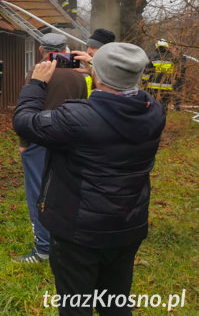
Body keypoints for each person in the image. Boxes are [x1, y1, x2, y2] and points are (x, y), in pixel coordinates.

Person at [13, 43, 165, 315]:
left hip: (78, 233)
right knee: (115, 304)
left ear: (99, 76)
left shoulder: (78, 118)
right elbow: (125, 88)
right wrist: (100, 66)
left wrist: (37, 84)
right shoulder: (153, 111)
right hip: (127, 225)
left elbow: (24, 121)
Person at [13, 33, 92, 263]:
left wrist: (24, 143)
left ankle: (43, 249)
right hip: (70, 141)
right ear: (65, 49)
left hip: (39, 140)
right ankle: (64, 241)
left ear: (41, 50)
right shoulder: (80, 75)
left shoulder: (37, 73)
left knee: (38, 193)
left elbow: (27, 109)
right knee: (65, 192)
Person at [142, 39, 186, 114]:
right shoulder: (173, 59)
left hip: (152, 88)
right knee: (164, 107)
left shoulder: (152, 57)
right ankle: (162, 120)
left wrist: (144, 84)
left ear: (157, 47)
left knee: (152, 106)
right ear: (167, 47)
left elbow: (146, 73)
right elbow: (179, 72)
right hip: (167, 88)